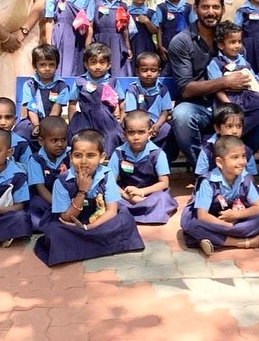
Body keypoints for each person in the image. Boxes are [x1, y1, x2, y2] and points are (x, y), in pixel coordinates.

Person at [169, 0, 259, 166]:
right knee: (182, 115)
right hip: (199, 104)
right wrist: (224, 81)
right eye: (205, 7)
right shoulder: (182, 42)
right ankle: (202, 166)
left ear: (223, 9)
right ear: (196, 9)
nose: (211, 12)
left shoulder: (235, 44)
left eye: (216, 7)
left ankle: (238, 162)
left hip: (233, 102)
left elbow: (245, 78)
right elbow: (186, 89)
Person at [33, 129, 145, 266]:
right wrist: (82, 191)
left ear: (102, 157)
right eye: (78, 155)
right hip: (72, 224)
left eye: (91, 155)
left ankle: (82, 246)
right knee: (56, 232)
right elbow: (66, 218)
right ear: (70, 157)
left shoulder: (106, 175)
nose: (84, 161)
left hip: (99, 221)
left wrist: (88, 228)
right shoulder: (62, 181)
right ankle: (97, 245)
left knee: (124, 219)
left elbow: (111, 211)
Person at [180, 135, 259, 256]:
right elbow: (202, 215)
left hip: (234, 219)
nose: (241, 162)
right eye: (235, 157)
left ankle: (211, 240)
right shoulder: (208, 182)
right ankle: (242, 242)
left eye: (243, 156)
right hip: (211, 220)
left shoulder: (245, 179)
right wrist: (226, 226)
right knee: (192, 225)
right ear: (219, 162)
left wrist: (236, 214)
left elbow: (258, 208)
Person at [208, 21, 259, 146]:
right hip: (228, 100)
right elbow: (217, 89)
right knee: (231, 118)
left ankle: (252, 146)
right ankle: (217, 141)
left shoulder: (242, 60)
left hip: (247, 97)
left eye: (239, 41)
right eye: (232, 42)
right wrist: (229, 104)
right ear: (221, 45)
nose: (237, 46)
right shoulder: (215, 63)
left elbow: (254, 83)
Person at [108, 110, 178, 224]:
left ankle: (134, 213)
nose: (136, 137)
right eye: (131, 132)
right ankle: (139, 212)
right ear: (124, 135)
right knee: (110, 200)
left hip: (149, 194)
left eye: (141, 132)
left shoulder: (158, 154)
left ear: (149, 133)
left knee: (163, 199)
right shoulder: (118, 153)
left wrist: (141, 192)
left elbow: (164, 183)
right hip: (125, 193)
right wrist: (128, 196)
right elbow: (110, 182)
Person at [67, 43, 125, 153]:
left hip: (107, 120)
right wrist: (72, 123)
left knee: (112, 136)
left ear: (109, 65)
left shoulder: (112, 81)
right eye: (93, 62)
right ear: (86, 64)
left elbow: (121, 102)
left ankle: (107, 162)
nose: (97, 66)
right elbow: (72, 104)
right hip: (85, 119)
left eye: (102, 62)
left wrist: (121, 122)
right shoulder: (80, 82)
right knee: (80, 139)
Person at [13, 44, 70, 144]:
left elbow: (57, 108)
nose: (47, 68)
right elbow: (30, 108)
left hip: (53, 121)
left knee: (62, 133)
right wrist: (36, 125)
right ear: (35, 66)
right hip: (32, 120)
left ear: (57, 65)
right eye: (42, 65)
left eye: (51, 64)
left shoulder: (61, 86)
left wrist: (46, 127)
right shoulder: (29, 85)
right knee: (21, 131)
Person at [44, 0, 90, 77]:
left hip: (77, 38)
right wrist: (49, 43)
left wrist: (87, 44)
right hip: (59, 36)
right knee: (58, 65)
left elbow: (88, 23)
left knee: (76, 66)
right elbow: (49, 21)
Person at [87, 0, 133, 77]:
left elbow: (125, 30)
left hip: (118, 44)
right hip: (99, 42)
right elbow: (90, 26)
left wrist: (128, 48)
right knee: (99, 72)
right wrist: (88, 46)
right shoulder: (94, 2)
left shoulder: (123, 5)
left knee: (118, 72)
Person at [27, 116, 70, 231]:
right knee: (35, 204)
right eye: (54, 141)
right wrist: (57, 205)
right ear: (41, 141)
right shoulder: (36, 159)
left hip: (69, 198)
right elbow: (40, 188)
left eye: (63, 140)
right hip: (47, 199)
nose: (60, 144)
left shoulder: (71, 154)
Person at [123, 51, 172, 150]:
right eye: (144, 70)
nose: (149, 74)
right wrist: (143, 128)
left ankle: (160, 157)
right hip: (137, 125)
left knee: (167, 129)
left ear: (158, 72)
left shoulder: (163, 89)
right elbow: (131, 113)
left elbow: (165, 111)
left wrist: (157, 125)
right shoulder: (133, 90)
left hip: (156, 124)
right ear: (137, 71)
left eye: (153, 70)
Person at [194, 103, 258, 177]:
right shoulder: (208, 150)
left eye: (239, 126)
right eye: (229, 126)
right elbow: (201, 176)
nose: (235, 131)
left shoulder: (246, 151)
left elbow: (250, 177)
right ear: (217, 128)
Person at [152, 0, 191, 76]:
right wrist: (160, 46)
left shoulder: (188, 8)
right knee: (167, 71)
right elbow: (159, 28)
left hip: (185, 45)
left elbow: (193, 27)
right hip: (167, 45)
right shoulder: (161, 8)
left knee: (184, 70)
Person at [0, 97, 31, 168]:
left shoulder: (21, 144)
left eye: (8, 117)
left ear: (15, 120)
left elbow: (29, 169)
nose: (3, 122)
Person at [127, 0, 157, 65]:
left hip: (147, 46)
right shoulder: (126, 12)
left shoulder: (151, 13)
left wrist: (147, 22)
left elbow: (155, 31)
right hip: (131, 46)